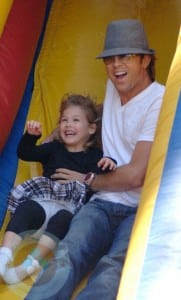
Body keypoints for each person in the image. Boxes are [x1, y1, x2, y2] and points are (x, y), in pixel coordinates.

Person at [25, 19, 165, 300]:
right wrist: (57, 134)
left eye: (125, 56)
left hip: (140, 208)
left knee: (112, 269)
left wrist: (87, 179)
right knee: (67, 253)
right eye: (110, 59)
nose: (115, 66)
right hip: (101, 203)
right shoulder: (115, 85)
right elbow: (101, 113)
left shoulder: (158, 100)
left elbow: (136, 174)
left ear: (146, 60)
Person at [0, 94, 116, 285]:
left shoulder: (95, 156)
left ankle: (30, 264)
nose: (68, 124)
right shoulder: (53, 148)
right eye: (64, 120)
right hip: (43, 203)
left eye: (75, 120)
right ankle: (4, 253)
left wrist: (110, 162)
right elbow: (25, 153)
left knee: (64, 220)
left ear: (91, 128)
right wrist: (31, 136)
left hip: (68, 209)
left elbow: (104, 176)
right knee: (26, 208)